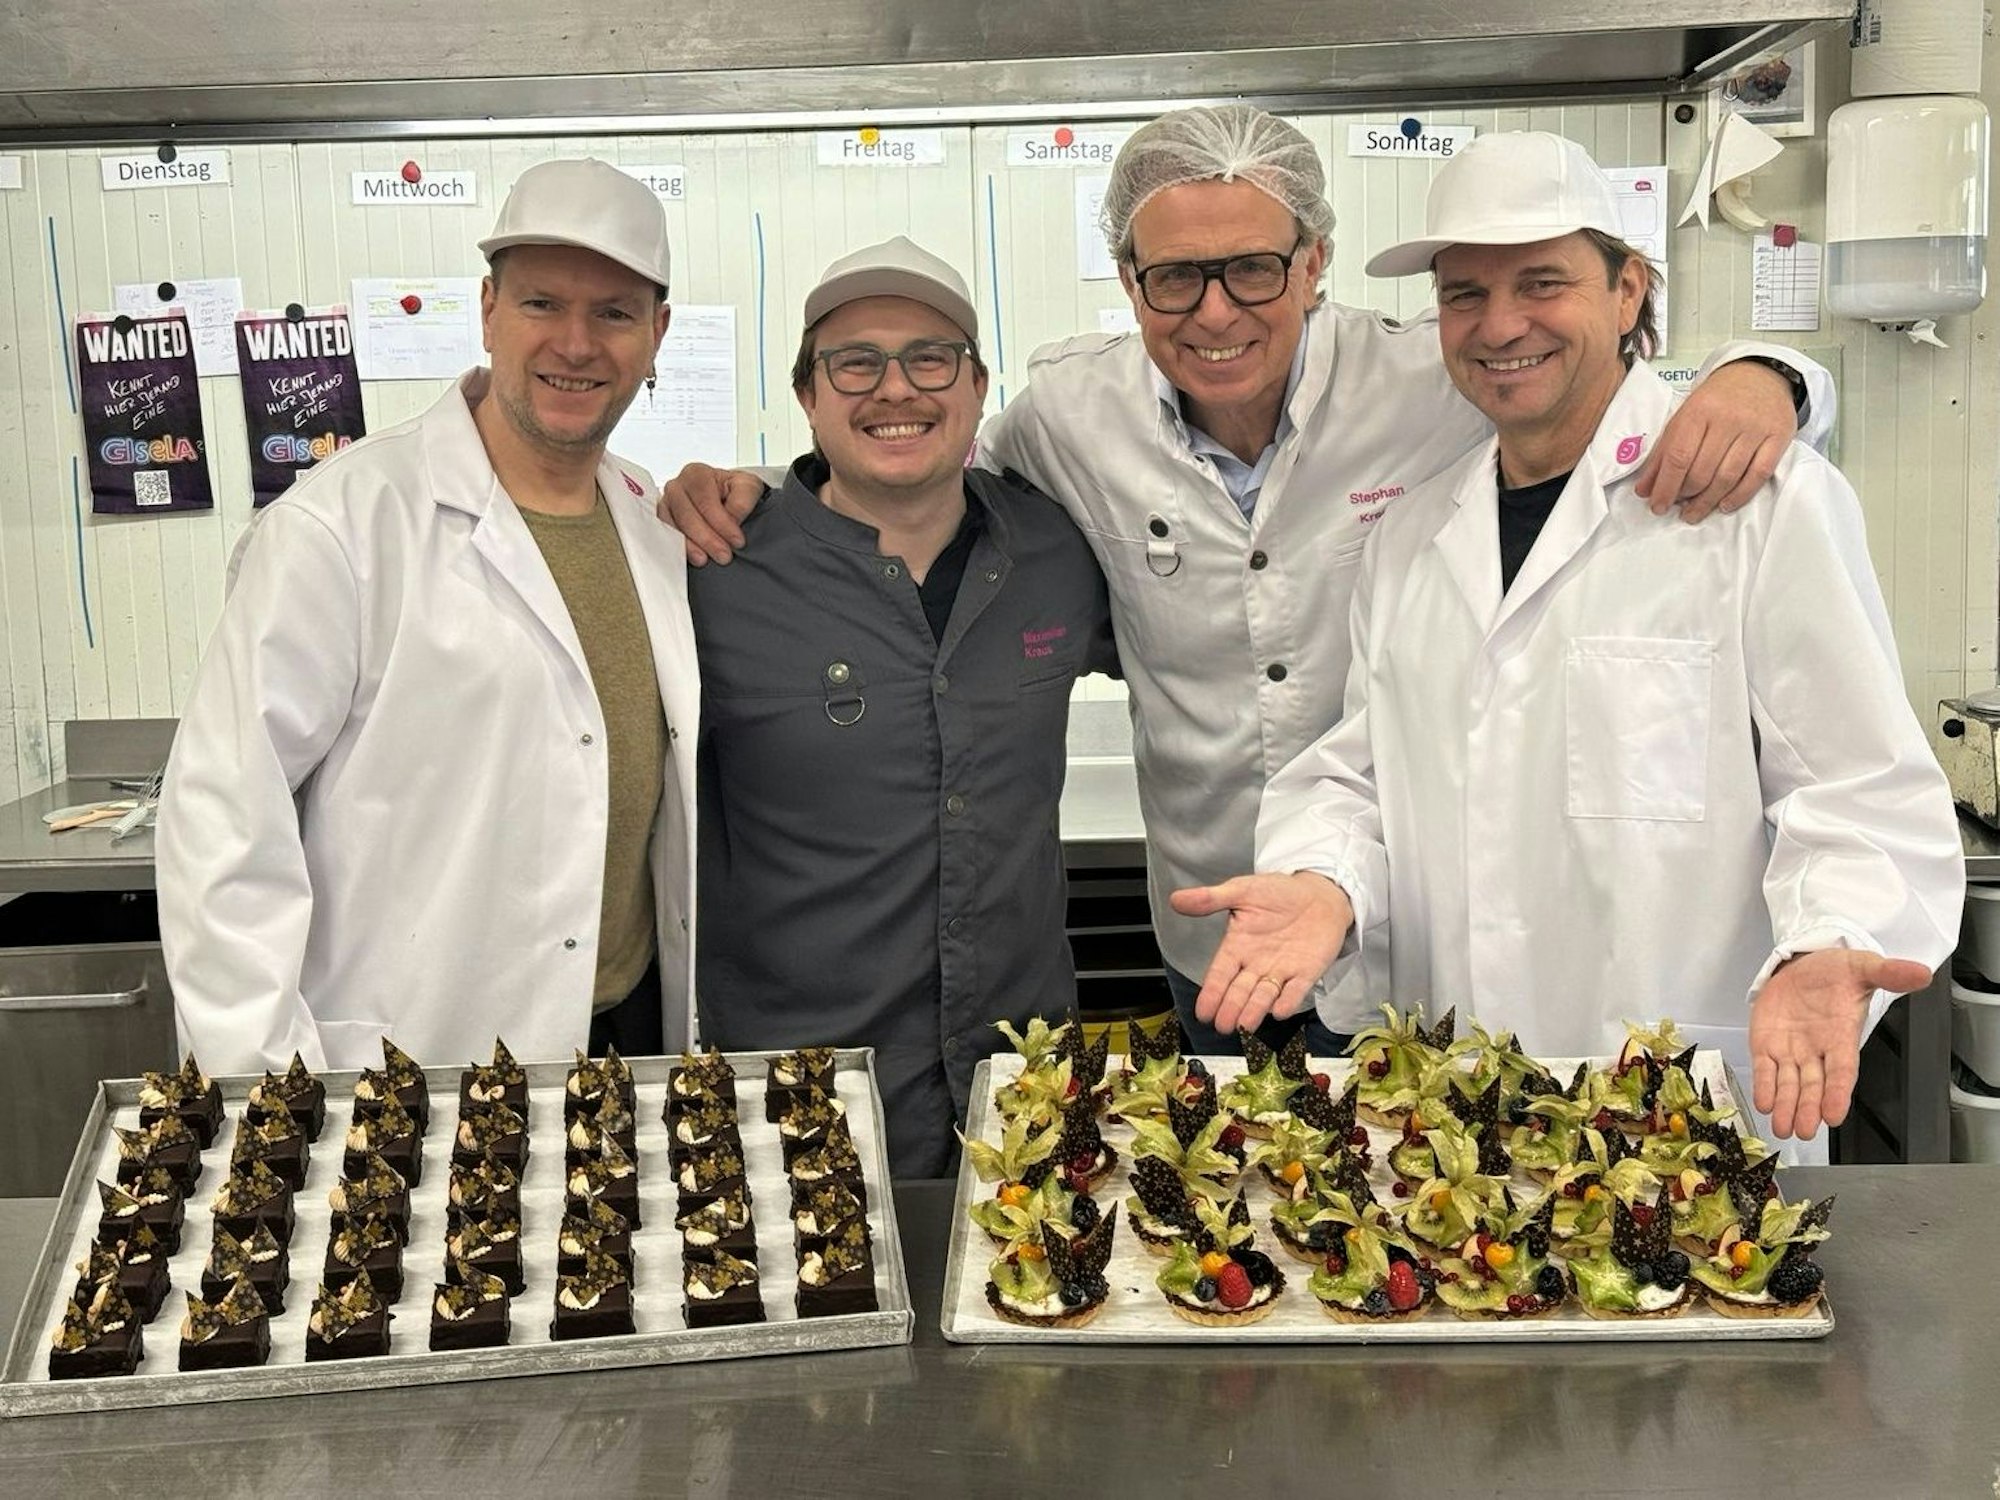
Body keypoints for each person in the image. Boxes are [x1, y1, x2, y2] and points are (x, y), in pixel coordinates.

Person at [661, 105, 1829, 1061]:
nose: (1214, 312)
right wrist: (758, 491)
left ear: (1313, 263)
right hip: (1213, 936)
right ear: (1129, 283)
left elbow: (1591, 386)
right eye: (1175, 278)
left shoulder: (1429, 380)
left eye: (1254, 269)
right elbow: (910, 467)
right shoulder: (1068, 418)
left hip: (1414, 935)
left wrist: (1769, 376)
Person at [1172, 131, 1963, 1154]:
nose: (1501, 325)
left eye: (1541, 282)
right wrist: (1323, 877)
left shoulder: (1762, 508)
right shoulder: (1411, 537)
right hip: (1457, 1114)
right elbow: (1363, 775)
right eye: (1464, 294)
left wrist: (1828, 940)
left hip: (1678, 1107)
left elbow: (1856, 793)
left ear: (1627, 291)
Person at [158, 158, 700, 1073]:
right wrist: (270, 1092)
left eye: (613, 312)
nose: (575, 344)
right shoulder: (342, 525)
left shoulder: (649, 518)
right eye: (541, 304)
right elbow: (223, 821)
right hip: (414, 1064)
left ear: (658, 334)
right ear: (488, 311)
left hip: (628, 1039)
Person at [689, 238, 1115, 1176]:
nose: (895, 390)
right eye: (855, 363)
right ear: (806, 396)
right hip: (800, 1104)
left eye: (930, 358)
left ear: (978, 385)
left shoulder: (1059, 551)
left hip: (1027, 1087)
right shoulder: (711, 570)